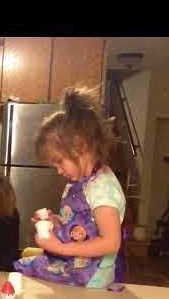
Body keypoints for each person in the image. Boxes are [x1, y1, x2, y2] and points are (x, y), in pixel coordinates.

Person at [14, 86, 126, 288]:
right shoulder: (80, 182)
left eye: (59, 161)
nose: (58, 170)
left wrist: (59, 248)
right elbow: (81, 223)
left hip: (91, 280)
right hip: (74, 267)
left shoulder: (102, 189)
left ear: (79, 146)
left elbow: (111, 242)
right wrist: (56, 222)